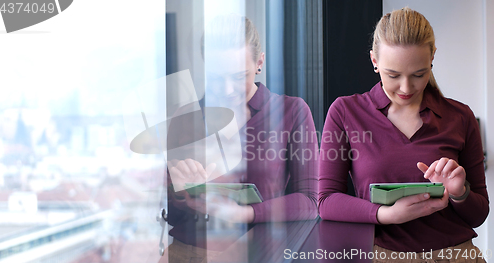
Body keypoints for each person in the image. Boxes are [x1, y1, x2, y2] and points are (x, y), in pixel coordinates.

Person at [318, 7, 488, 262]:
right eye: (393, 75)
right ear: (374, 61)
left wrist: (459, 192)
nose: (406, 88)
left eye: (419, 74)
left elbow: (478, 214)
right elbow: (326, 201)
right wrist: (385, 215)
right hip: (380, 255)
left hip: (457, 255)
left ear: (432, 58)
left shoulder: (460, 116)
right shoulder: (345, 112)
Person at [162, 15, 318, 263]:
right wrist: (182, 193)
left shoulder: (292, 112)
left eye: (238, 77)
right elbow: (170, 211)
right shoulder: (185, 118)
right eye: (215, 77)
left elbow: (311, 201)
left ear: (260, 63)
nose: (226, 90)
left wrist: (244, 213)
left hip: (261, 254)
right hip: (188, 254)